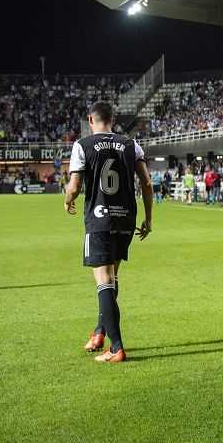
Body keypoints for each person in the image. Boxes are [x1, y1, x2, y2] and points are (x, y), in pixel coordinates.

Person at [64, 101, 153, 363]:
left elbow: (76, 185)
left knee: (104, 281)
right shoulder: (131, 144)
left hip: (100, 220)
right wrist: (148, 218)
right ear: (112, 120)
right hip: (125, 220)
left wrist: (68, 199)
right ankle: (100, 332)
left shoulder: (82, 145)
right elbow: (147, 183)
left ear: (91, 120)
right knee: (111, 280)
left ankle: (116, 347)